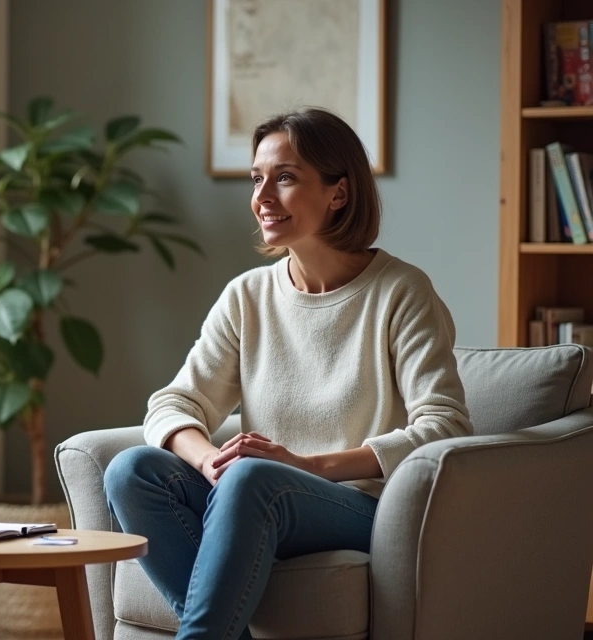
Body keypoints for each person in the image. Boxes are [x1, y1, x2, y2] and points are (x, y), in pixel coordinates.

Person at [103, 107, 472, 640]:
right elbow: (173, 404)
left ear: (338, 193)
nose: (262, 197)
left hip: (360, 507)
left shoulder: (401, 292)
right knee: (131, 470)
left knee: (257, 478)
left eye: (286, 177)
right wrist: (208, 462)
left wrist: (305, 466)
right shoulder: (247, 295)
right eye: (257, 178)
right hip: (251, 495)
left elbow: (445, 427)